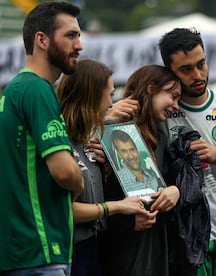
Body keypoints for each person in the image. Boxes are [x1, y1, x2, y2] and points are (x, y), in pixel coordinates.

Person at [0, 2, 84, 275]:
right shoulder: (37, 89)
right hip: (42, 252)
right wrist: (79, 180)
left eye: (79, 35)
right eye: (71, 35)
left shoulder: (16, 89)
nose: (80, 45)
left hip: (22, 253)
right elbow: (64, 172)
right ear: (42, 40)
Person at [158, 28, 216, 276]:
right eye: (186, 69)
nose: (198, 75)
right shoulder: (161, 112)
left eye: (201, 64)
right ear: (169, 70)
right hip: (177, 241)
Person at [56, 58, 144, 276]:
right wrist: (117, 207)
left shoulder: (93, 135)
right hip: (68, 251)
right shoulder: (56, 142)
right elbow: (60, 209)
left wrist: (106, 169)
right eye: (110, 95)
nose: (111, 105)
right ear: (91, 95)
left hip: (93, 245)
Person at [101, 64, 181, 276]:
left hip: (155, 250)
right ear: (151, 88)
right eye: (172, 96)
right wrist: (126, 222)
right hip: (123, 254)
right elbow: (96, 199)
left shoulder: (161, 138)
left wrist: (174, 192)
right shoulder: (110, 131)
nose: (175, 105)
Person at [111, 129, 161, 194]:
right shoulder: (118, 180)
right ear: (119, 154)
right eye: (124, 151)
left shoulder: (152, 175)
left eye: (132, 150)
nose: (131, 156)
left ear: (137, 150)